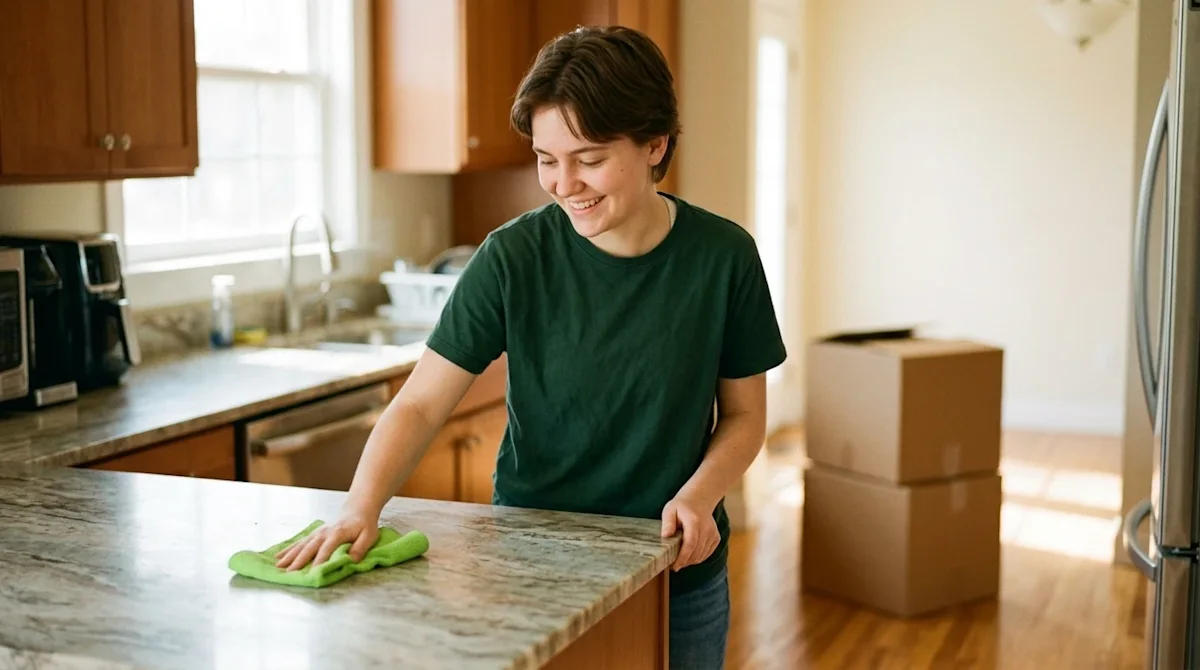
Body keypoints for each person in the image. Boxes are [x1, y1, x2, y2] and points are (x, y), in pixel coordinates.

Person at [273, 24, 786, 670]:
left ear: (656, 144)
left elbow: (745, 416)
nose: (563, 182)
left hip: (674, 572)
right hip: (534, 571)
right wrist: (360, 507)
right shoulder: (513, 258)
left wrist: (701, 493)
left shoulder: (724, 258)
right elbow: (420, 405)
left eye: (589, 157)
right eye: (546, 159)